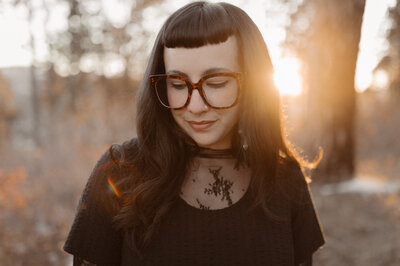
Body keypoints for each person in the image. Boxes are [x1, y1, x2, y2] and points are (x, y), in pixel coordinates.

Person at [63, 1, 325, 265]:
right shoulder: (120, 172)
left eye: (216, 83)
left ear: (254, 84)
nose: (195, 106)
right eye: (177, 84)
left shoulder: (285, 180)